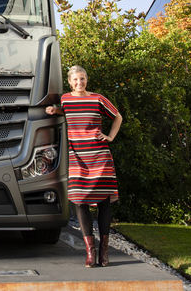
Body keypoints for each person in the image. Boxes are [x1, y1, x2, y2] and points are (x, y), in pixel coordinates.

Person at [45, 65, 122, 267]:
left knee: (104, 201)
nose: (80, 83)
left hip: (100, 156)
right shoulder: (65, 99)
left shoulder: (98, 99)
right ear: (70, 82)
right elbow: (66, 111)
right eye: (76, 80)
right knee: (80, 201)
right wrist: (55, 110)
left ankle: (104, 252)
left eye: (83, 79)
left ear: (87, 80)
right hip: (78, 157)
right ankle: (90, 251)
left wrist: (110, 137)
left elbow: (118, 116)